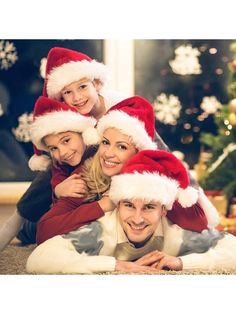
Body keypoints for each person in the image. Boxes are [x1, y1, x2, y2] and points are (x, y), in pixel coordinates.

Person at [36, 96, 213, 245]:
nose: (108, 154)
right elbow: (43, 232)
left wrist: (161, 187)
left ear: (139, 152)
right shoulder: (88, 173)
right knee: (27, 230)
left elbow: (200, 224)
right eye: (105, 142)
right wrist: (102, 205)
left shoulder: (154, 177)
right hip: (39, 217)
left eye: (121, 147)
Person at [26, 149, 236, 274]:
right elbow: (38, 259)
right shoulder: (101, 232)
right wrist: (116, 265)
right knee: (27, 230)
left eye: (149, 207)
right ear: (117, 204)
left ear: (164, 210)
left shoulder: (176, 233)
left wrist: (181, 262)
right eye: (129, 205)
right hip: (48, 216)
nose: (137, 218)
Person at [0, 96, 97, 251]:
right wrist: (58, 190)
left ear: (83, 133)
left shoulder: (100, 154)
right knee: (32, 229)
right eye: (53, 148)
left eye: (66, 140)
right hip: (47, 215)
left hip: (81, 216)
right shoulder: (58, 164)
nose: (63, 152)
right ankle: (19, 228)